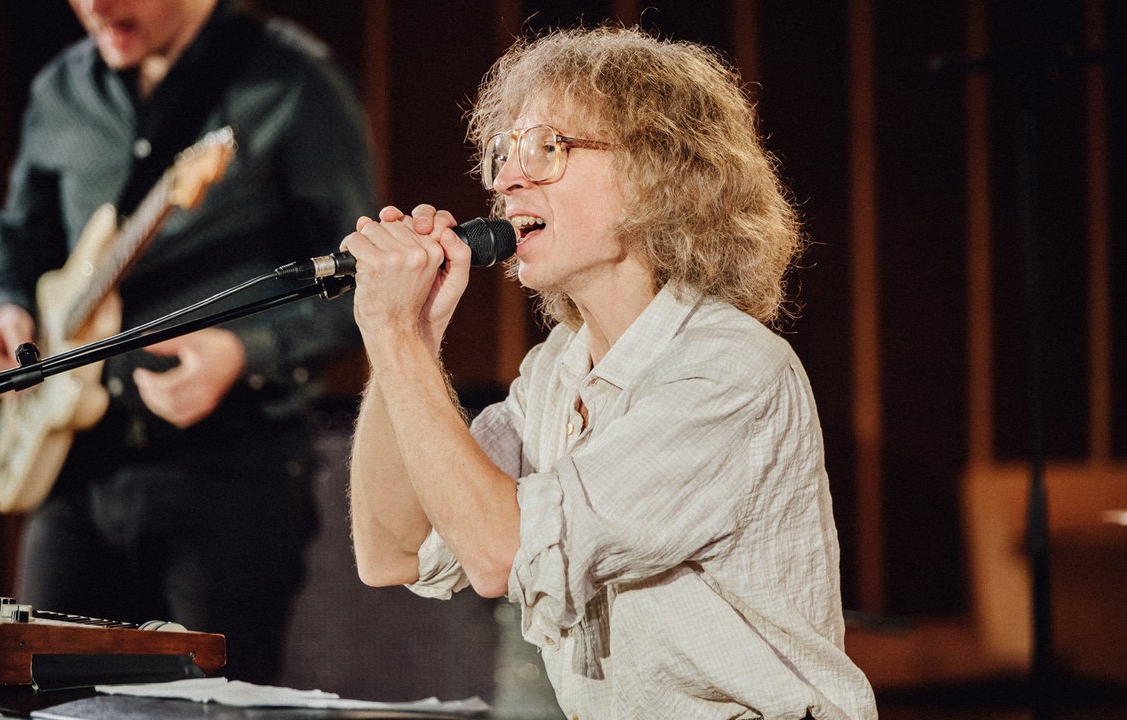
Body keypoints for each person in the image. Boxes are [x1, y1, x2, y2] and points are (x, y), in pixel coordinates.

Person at [343, 25, 877, 719]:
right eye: (502, 150)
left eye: (548, 147)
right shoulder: (553, 374)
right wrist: (404, 337)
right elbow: (395, 554)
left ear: (658, 173)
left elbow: (500, 551)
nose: (507, 178)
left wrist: (397, 341)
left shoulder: (727, 372)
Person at [0, 0, 375, 684]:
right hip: (77, 469)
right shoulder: (60, 90)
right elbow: (21, 235)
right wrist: (4, 308)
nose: (96, 8)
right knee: (35, 693)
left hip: (229, 474)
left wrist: (244, 352)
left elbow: (364, 284)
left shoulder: (292, 83)